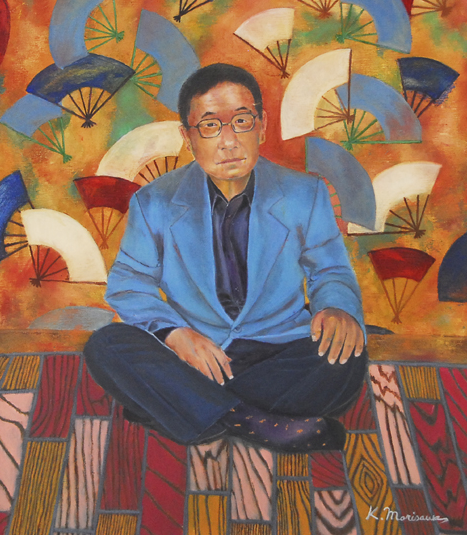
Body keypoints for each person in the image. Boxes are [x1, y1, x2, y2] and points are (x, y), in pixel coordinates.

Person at [84, 63, 367, 452]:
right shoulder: (154, 202)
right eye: (210, 126)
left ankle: (188, 408)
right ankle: (255, 422)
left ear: (262, 127)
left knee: (347, 356)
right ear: (187, 137)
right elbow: (129, 284)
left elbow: (331, 269)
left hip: (279, 348)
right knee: (106, 345)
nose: (229, 141)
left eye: (242, 121)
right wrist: (176, 334)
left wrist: (336, 308)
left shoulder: (305, 193)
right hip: (196, 354)